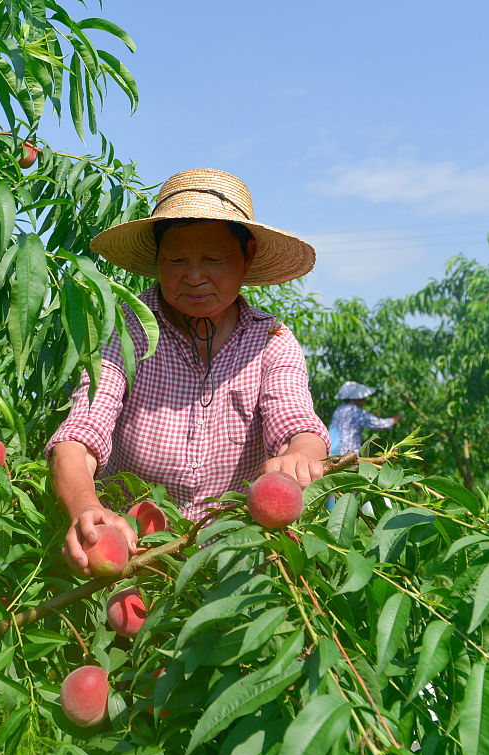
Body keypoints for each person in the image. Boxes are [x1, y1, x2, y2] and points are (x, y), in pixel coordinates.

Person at [45, 168, 331, 575]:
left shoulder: (271, 340)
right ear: (157, 259)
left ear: (246, 258)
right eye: (177, 260)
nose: (194, 277)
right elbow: (78, 437)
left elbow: (297, 423)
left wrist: (301, 455)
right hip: (134, 561)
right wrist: (86, 508)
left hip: (233, 566)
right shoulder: (126, 333)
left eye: (213, 259)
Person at [328, 381, 401, 456]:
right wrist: (395, 419)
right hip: (347, 456)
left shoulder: (339, 410)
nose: (364, 401)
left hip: (332, 453)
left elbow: (346, 435)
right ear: (357, 399)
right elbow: (379, 424)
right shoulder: (355, 411)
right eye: (363, 399)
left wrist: (366, 442)